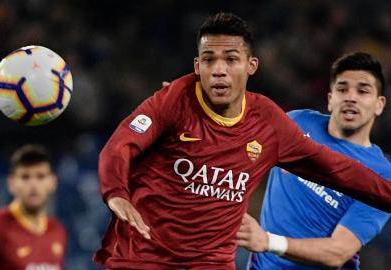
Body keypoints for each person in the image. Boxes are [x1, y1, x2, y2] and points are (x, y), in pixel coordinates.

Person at [93, 12, 391, 270]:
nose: (219, 69)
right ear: (198, 67)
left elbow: (335, 169)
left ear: (251, 65)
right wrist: (116, 191)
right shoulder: (173, 101)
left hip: (210, 262)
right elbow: (119, 146)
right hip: (144, 257)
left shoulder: (270, 123)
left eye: (231, 59)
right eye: (209, 60)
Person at [238, 52, 391, 270]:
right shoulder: (297, 123)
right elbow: (236, 143)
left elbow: (338, 251)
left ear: (379, 104)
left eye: (363, 91)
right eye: (342, 89)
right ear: (330, 100)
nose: (351, 97)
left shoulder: (382, 176)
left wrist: (267, 241)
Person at [0, 145, 67, 270]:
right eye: (25, 177)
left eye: (40, 176)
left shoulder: (57, 230)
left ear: (53, 182)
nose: (33, 185)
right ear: (11, 183)